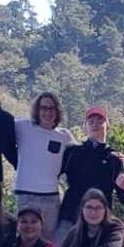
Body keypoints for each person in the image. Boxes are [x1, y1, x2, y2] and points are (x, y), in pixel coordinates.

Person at [56, 107, 124, 245]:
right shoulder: (72, 152)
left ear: (108, 125)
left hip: (99, 219)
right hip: (70, 215)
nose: (95, 124)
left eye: (100, 121)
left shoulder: (114, 158)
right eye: (91, 121)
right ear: (85, 127)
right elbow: (51, 175)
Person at [13, 92, 73, 237]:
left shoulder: (64, 136)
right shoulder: (22, 127)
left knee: (48, 242)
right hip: (25, 195)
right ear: (37, 110)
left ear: (57, 110)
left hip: (51, 198)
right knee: (24, 240)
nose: (47, 112)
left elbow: (84, 155)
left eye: (51, 108)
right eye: (43, 108)